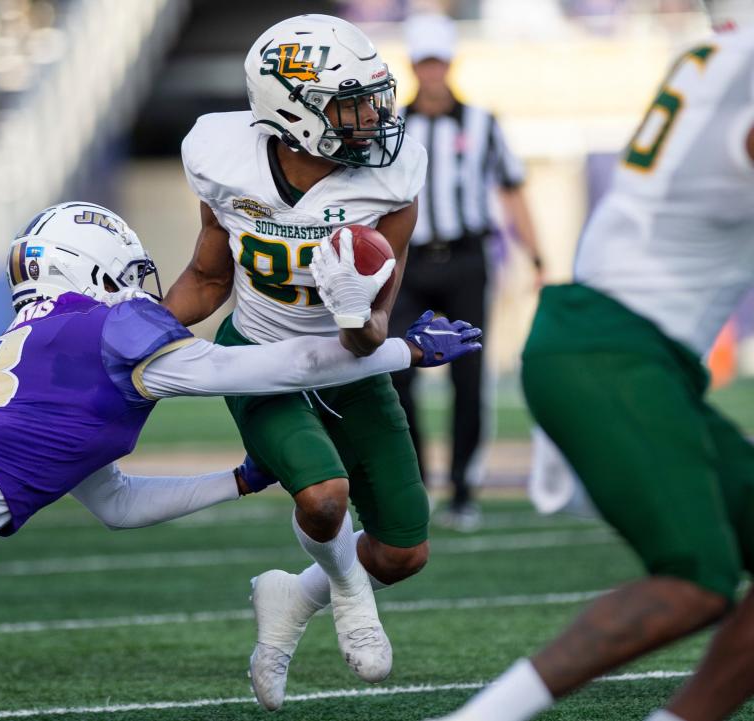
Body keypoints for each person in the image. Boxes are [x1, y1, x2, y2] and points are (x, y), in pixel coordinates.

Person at [0, 201, 479, 709]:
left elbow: (115, 504)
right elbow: (259, 368)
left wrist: (240, 478)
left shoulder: (47, 341)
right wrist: (404, 350)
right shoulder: (114, 327)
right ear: (99, 264)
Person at [425, 2, 754, 720]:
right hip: (612, 347)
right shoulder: (741, 70)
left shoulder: (719, 64)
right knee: (697, 576)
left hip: (620, 344)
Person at [163, 13, 480, 712]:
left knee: (404, 553)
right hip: (259, 359)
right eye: (353, 104)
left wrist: (352, 312)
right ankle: (346, 594)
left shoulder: (393, 177)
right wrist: (133, 327)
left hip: (346, 363)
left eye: (375, 97)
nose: (374, 119)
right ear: (291, 110)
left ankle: (294, 592)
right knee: (324, 494)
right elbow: (209, 280)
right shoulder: (224, 155)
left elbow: (371, 335)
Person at [389, 13, 543, 531]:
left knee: (470, 378)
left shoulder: (482, 122)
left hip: (467, 259)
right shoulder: (391, 127)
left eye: (438, 62)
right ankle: (415, 482)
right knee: (395, 372)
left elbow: (512, 187)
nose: (431, 72)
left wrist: (536, 256)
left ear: (449, 64)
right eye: (423, 63)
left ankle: (463, 489)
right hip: (406, 263)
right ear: (413, 66)